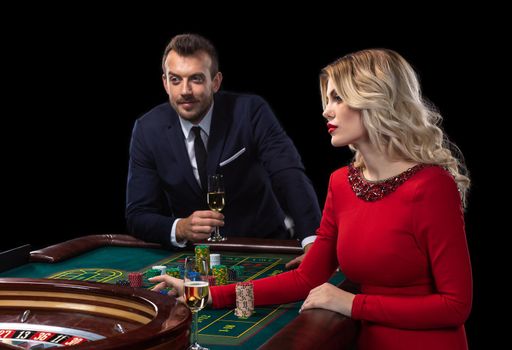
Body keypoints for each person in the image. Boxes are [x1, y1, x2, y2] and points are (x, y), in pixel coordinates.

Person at [150, 48, 473, 350]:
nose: (325, 110)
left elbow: (455, 306)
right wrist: (205, 293)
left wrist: (351, 303)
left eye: (337, 98)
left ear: (375, 102)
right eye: (326, 98)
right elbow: (307, 277)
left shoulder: (431, 186)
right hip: (361, 340)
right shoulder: (342, 183)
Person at [126, 33, 321, 264]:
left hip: (262, 246)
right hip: (195, 257)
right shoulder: (147, 129)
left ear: (215, 82)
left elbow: (288, 174)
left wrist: (313, 241)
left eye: (196, 79)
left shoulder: (250, 111)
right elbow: (138, 214)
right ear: (165, 83)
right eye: (176, 80)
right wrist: (180, 228)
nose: (185, 90)